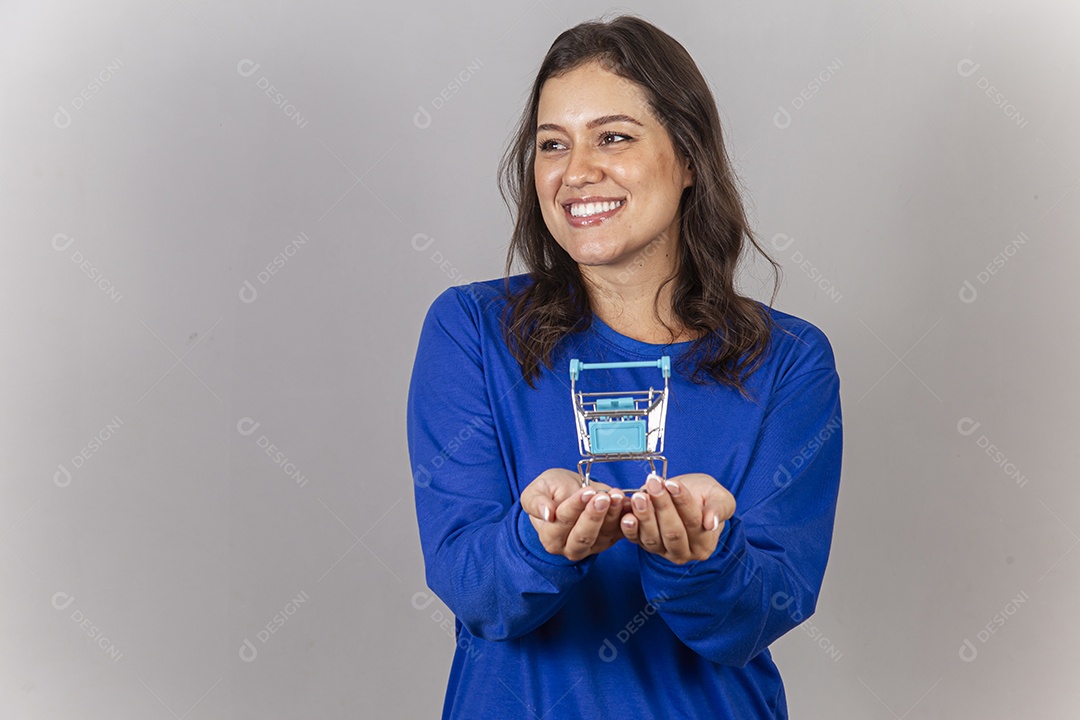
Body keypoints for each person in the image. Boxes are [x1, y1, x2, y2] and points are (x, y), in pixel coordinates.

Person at [406, 13, 842, 719]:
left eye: (614, 136)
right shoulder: (472, 332)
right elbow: (472, 586)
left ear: (689, 156)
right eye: (553, 144)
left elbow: (763, 614)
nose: (577, 172)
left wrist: (702, 558)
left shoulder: (788, 362)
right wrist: (537, 543)